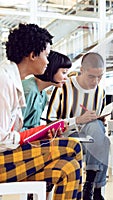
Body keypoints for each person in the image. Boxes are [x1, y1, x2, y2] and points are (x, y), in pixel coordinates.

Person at [0, 23, 83, 200]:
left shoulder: (13, 81)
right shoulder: (3, 80)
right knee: (73, 146)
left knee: (68, 167)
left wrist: (40, 135)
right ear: (32, 55)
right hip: (2, 160)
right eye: (46, 55)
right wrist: (37, 133)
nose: (47, 61)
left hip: (6, 157)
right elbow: (2, 139)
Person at [46, 52, 110, 200]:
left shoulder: (100, 92)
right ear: (82, 70)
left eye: (100, 76)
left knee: (102, 136)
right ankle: (95, 188)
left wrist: (100, 121)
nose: (96, 81)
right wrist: (78, 120)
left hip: (91, 138)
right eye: (91, 76)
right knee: (102, 142)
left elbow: (98, 121)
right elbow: (50, 121)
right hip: (67, 136)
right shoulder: (63, 86)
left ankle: (91, 186)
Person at [22, 50, 72, 130]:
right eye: (64, 72)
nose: (66, 77)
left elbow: (34, 126)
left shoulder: (43, 95)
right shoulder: (29, 91)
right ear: (51, 69)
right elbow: (14, 127)